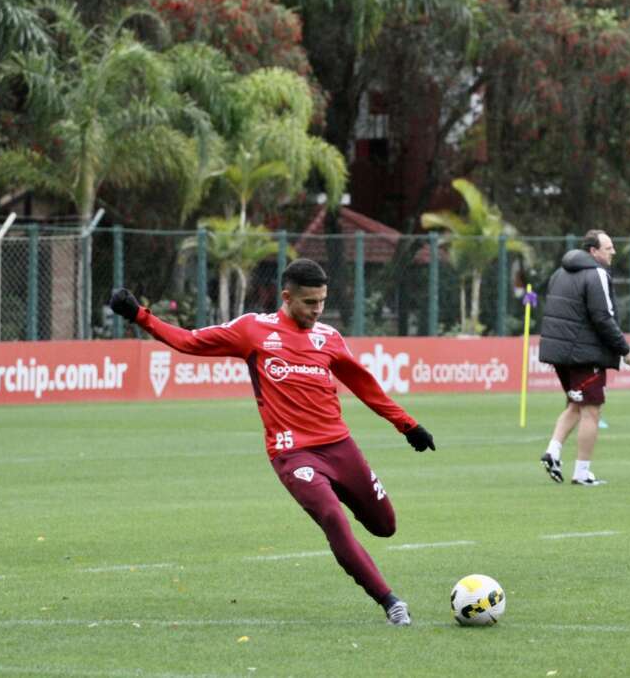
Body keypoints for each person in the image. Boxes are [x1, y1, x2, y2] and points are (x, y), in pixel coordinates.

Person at [109, 259, 436, 626]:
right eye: (310, 303)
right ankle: (390, 602)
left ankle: (369, 546)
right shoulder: (253, 330)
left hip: (341, 447)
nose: (318, 310)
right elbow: (190, 341)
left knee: (385, 525)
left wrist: (408, 426)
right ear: (286, 297)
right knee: (332, 517)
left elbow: (364, 385)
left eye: (322, 302)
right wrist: (140, 315)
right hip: (293, 454)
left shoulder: (327, 337)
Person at [538, 230, 630, 486]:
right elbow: (603, 318)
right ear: (593, 251)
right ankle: (582, 473)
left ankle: (553, 451)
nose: (613, 252)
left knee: (575, 405)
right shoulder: (597, 274)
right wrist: (625, 350)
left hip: (559, 353)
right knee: (591, 412)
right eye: (608, 248)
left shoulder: (559, 273)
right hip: (584, 354)